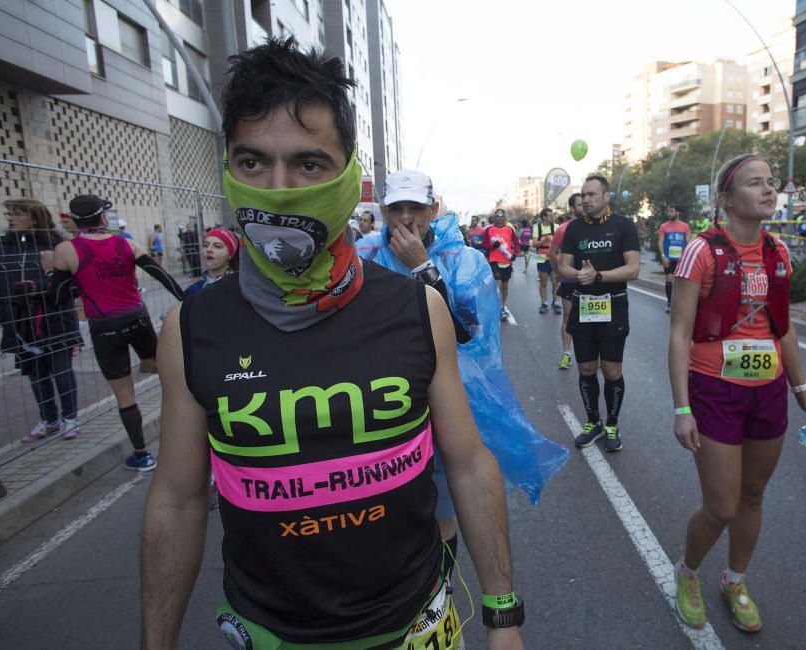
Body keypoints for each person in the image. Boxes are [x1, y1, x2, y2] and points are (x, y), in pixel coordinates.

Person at [141, 38, 525, 650]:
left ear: (349, 176)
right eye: (252, 163)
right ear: (229, 171)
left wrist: (503, 616)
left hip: (414, 626)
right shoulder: (189, 329)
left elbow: (470, 462)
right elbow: (179, 499)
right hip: (270, 635)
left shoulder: (417, 310)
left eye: (309, 165)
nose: (280, 189)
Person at [357, 168, 567, 585]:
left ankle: (441, 588)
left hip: (446, 400)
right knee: (385, 508)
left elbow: (469, 336)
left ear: (433, 209)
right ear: (382, 211)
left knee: (441, 509)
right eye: (394, 208)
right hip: (379, 405)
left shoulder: (464, 259)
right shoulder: (363, 254)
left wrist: (422, 269)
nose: (404, 219)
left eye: (414, 208)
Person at [669, 154, 806, 633]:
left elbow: (784, 329)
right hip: (715, 388)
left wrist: (804, 392)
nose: (768, 190)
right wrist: (682, 408)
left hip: (768, 391)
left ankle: (735, 581)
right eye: (755, 183)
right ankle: (688, 571)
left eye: (771, 183)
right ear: (726, 197)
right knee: (721, 505)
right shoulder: (702, 251)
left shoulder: (778, 251)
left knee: (753, 495)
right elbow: (679, 333)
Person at [47, 195, 185, 470]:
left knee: (125, 396)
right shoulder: (126, 243)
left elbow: (57, 297)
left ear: (75, 221)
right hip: (138, 320)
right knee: (169, 378)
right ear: (102, 218)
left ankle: (142, 454)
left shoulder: (66, 250)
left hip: (105, 327)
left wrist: (59, 274)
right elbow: (163, 276)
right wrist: (188, 301)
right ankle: (183, 436)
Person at [557, 176, 639, 452]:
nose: (586, 199)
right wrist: (579, 274)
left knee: (612, 371)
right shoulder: (574, 229)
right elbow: (563, 267)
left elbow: (633, 269)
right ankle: (593, 422)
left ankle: (612, 423)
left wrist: (599, 275)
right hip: (583, 306)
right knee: (586, 368)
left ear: (606, 197)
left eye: (592, 194)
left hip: (614, 305)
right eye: (583, 195)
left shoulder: (624, 226)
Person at [0, 198, 82, 442]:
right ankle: (49, 420)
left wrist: (46, 279)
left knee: (61, 370)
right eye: (8, 214)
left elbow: (73, 287)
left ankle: (71, 419)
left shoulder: (59, 245)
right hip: (20, 323)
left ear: (34, 217)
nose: (10, 218)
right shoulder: (4, 246)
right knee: (36, 373)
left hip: (55, 320)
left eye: (17, 214)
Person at [548, 192, 583, 369]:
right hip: (570, 281)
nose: (584, 206)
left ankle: (596, 353)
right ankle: (566, 353)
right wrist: (558, 271)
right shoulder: (564, 229)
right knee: (568, 316)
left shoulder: (596, 226)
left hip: (591, 281)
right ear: (571, 208)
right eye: (579, 204)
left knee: (592, 319)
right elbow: (552, 253)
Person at [484, 208, 519, 321]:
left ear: (505, 218)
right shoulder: (489, 230)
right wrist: (492, 247)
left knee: (505, 286)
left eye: (502, 216)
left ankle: (503, 306)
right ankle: (499, 308)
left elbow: (516, 243)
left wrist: (515, 254)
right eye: (497, 216)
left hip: (507, 261)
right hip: (494, 260)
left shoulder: (509, 229)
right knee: (498, 285)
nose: (500, 218)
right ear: (494, 218)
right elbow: (484, 245)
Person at [183, 227, 239, 297]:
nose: (208, 249)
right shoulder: (192, 291)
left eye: (217, 246)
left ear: (230, 255)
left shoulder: (241, 287)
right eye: (205, 245)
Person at [657, 204, 691, 313]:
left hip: (681, 259)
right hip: (668, 259)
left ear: (677, 213)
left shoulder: (685, 226)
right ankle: (669, 302)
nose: (669, 213)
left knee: (680, 282)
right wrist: (663, 256)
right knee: (669, 279)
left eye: (671, 211)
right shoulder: (664, 226)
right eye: (668, 212)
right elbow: (660, 242)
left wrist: (686, 257)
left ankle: (680, 303)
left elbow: (688, 242)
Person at [532, 208, 559, 314]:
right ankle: (544, 303)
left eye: (552, 215)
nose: (552, 217)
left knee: (555, 281)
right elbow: (534, 244)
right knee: (543, 281)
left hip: (554, 256)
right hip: (541, 257)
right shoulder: (537, 228)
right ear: (544, 217)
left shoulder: (556, 227)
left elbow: (561, 243)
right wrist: (544, 240)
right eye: (550, 215)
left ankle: (556, 302)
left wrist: (553, 241)